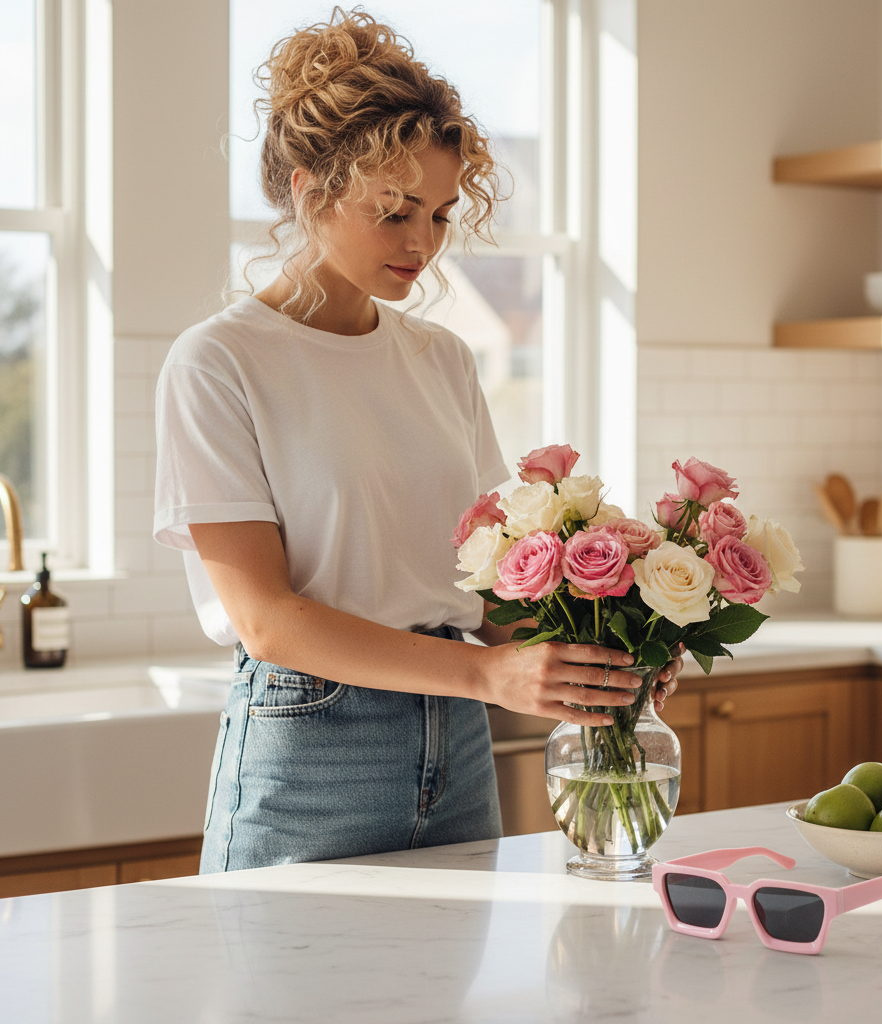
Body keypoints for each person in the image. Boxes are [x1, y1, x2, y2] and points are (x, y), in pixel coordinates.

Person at [153, 8, 680, 873]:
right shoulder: (219, 362)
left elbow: (486, 589)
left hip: (460, 744)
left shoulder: (441, 359)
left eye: (438, 214)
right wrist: (486, 677)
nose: (422, 244)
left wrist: (605, 658)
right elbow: (268, 622)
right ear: (304, 188)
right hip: (310, 746)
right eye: (393, 210)